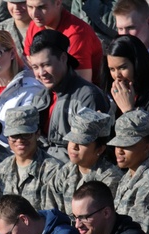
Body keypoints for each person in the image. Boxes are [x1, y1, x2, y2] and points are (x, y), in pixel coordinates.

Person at [26, 30, 110, 162]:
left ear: (63, 58)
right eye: (35, 67)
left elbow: (89, 152)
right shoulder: (39, 97)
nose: (41, 73)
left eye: (46, 65)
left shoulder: (88, 96)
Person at [50, 108, 121, 215]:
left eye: (82, 142)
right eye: (72, 140)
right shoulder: (66, 171)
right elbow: (52, 212)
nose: (74, 146)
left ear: (100, 149)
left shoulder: (109, 178)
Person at [0, 105, 61, 210]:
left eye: (26, 134)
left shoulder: (53, 170)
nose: (20, 140)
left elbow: (52, 215)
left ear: (37, 134)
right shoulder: (1, 169)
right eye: (14, 135)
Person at [23, 0, 104, 84]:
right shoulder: (34, 26)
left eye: (41, 7)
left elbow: (81, 84)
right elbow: (28, 68)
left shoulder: (77, 33)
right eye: (30, 7)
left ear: (58, 3)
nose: (34, 14)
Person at [108, 109, 149, 233]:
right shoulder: (128, 176)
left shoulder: (148, 184)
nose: (119, 150)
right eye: (118, 145)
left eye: (127, 145)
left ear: (147, 146)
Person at [105, 35, 149, 118]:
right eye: (112, 69)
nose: (117, 75)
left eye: (123, 67)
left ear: (137, 64)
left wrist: (128, 111)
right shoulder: (115, 96)